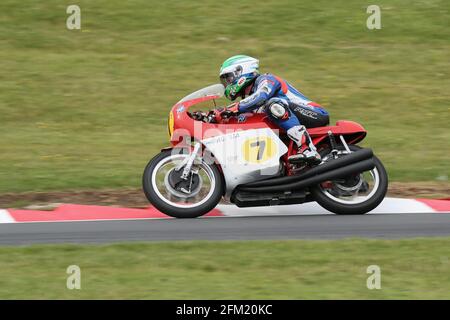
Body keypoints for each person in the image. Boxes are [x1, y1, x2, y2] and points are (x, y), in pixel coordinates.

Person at [218, 55, 329, 164]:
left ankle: (307, 149)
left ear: (241, 71)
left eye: (229, 77)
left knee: (273, 105)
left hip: (315, 113)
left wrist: (235, 108)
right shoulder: (252, 99)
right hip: (298, 117)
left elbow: (261, 96)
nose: (227, 83)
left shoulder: (266, 79)